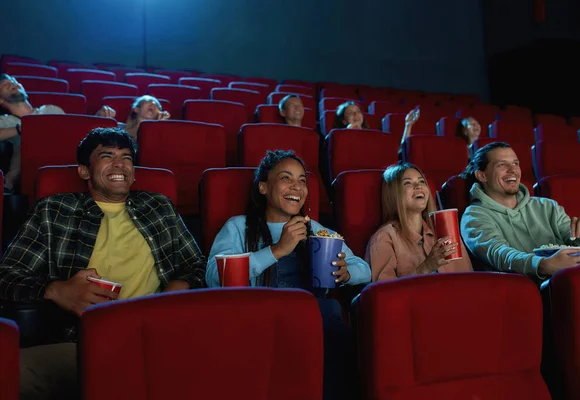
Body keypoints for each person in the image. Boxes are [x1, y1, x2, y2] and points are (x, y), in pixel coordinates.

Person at [0, 127, 206, 399]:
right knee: (10, 373)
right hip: (80, 344)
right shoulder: (54, 210)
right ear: (84, 171)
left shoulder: (159, 207)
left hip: (158, 341)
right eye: (107, 157)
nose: (120, 164)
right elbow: (6, 276)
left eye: (127, 158)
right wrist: (55, 290)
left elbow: (198, 265)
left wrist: (182, 284)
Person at [206, 149, 370, 400]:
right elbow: (213, 278)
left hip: (315, 322)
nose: (297, 187)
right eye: (286, 178)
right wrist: (276, 250)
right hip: (257, 323)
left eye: (302, 180)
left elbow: (365, 270)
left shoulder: (315, 228)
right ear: (263, 187)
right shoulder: (238, 226)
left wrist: (345, 273)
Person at [460, 142, 580, 281]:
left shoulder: (547, 206)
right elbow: (498, 253)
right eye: (501, 165)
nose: (513, 170)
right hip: (521, 294)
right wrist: (542, 265)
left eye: (515, 163)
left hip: (572, 284)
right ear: (482, 176)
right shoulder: (474, 216)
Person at [0, 74, 116, 192]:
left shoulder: (50, 109)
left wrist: (98, 119)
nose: (12, 84)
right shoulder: (4, 120)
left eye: (14, 81)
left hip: (66, 158)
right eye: (5, 84)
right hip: (31, 167)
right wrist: (24, 128)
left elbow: (72, 133)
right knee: (27, 138)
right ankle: (10, 181)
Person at [365, 163, 472, 281]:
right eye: (408, 183)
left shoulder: (447, 230)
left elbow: (469, 282)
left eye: (422, 181)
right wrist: (426, 267)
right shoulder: (384, 237)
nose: (418, 186)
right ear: (394, 194)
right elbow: (383, 294)